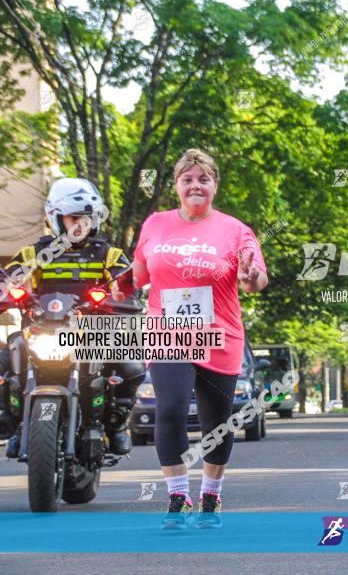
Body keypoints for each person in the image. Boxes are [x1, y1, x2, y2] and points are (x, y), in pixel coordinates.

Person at [132, 149, 268, 529]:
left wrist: (249, 275)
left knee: (216, 423)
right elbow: (137, 276)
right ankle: (178, 497)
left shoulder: (235, 229)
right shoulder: (155, 224)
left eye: (203, 179)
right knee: (171, 409)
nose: (195, 185)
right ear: (177, 185)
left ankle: (211, 494)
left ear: (214, 185)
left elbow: (257, 280)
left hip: (218, 336)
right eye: (187, 179)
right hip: (167, 332)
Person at [0, 178, 144, 458]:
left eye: (87, 218)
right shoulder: (34, 253)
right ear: (56, 218)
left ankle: (115, 426)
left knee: (132, 366)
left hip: (91, 333)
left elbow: (128, 284)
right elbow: (8, 279)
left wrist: (122, 295)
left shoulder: (109, 255)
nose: (81, 224)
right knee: (7, 357)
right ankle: (13, 422)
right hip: (40, 332)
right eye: (73, 218)